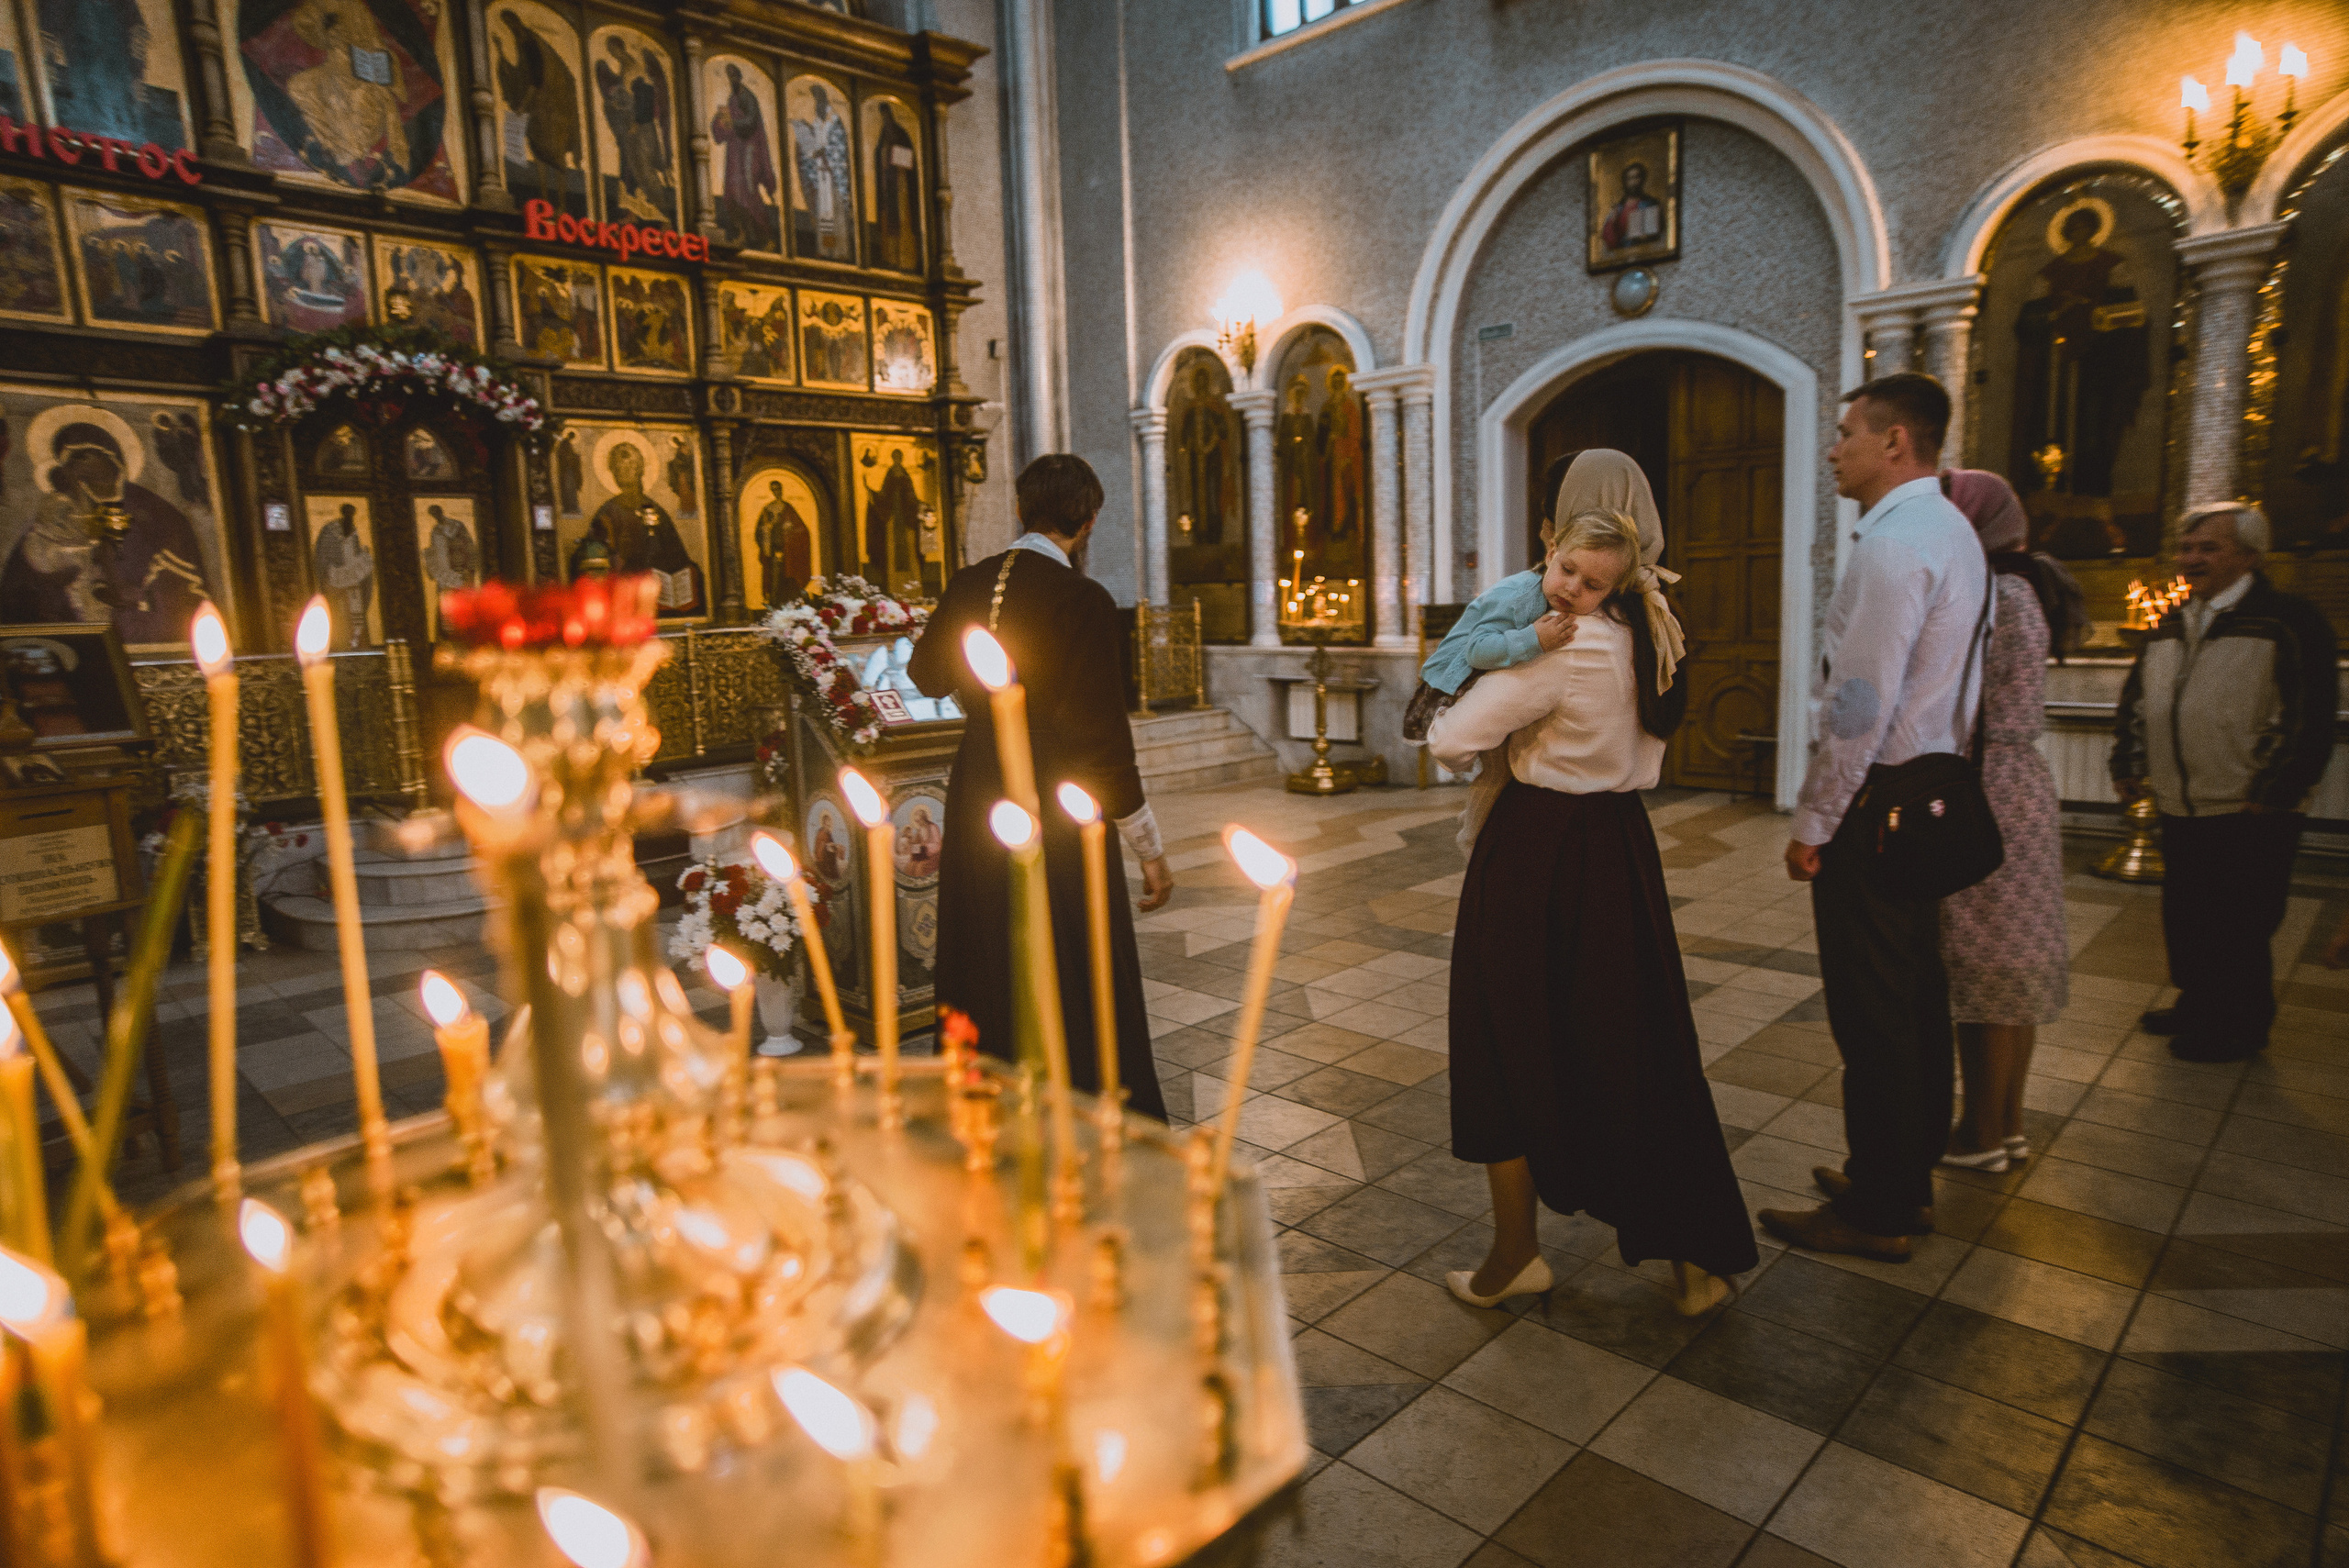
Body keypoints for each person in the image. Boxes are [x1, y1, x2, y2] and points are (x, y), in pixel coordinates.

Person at [1428, 506, 1751, 1317]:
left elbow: (1451, 738)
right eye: (1567, 572)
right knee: (1635, 1042)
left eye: (1586, 578)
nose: (1570, 589)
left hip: (1538, 851)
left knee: (1503, 1038)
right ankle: (1691, 1264)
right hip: (1619, 847)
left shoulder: (1562, 647)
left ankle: (1514, 1255)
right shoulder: (1648, 634)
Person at [1760, 373, 1987, 1263]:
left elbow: (1858, 703)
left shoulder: (1895, 546)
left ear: (1895, 442)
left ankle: (1883, 1206)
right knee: (1911, 999)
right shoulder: (1949, 529)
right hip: (1926, 788)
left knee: (1875, 1011)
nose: (1833, 446)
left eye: (1847, 431)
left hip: (1877, 803)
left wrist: (1814, 821)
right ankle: (1898, 1174)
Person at [907, 455, 1174, 1118]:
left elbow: (926, 676)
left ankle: (987, 1094)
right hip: (1057, 798)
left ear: (1022, 511)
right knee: (1066, 941)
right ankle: (1077, 1099)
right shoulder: (1083, 599)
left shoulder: (970, 581)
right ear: (1086, 523)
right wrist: (1148, 844)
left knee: (986, 936)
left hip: (978, 789)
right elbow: (1102, 736)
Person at [2111, 503, 2338, 1062]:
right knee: (2187, 912)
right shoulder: (2171, 619)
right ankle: (2197, 1002)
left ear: (2250, 555)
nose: (2191, 560)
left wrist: (2276, 790)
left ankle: (2240, 1023)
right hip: (2180, 798)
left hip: (2247, 804)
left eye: (2207, 549)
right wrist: (2130, 762)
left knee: (2240, 920)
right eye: (2186, 549)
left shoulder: (2288, 620)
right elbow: (2139, 699)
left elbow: (2310, 714)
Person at [1936, 470, 2072, 1172]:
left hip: (1984, 786)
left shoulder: (1993, 594)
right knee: (2011, 974)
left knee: (1985, 972)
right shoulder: (2027, 587)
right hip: (2020, 782)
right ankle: (2008, 1123)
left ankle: (1979, 1131)